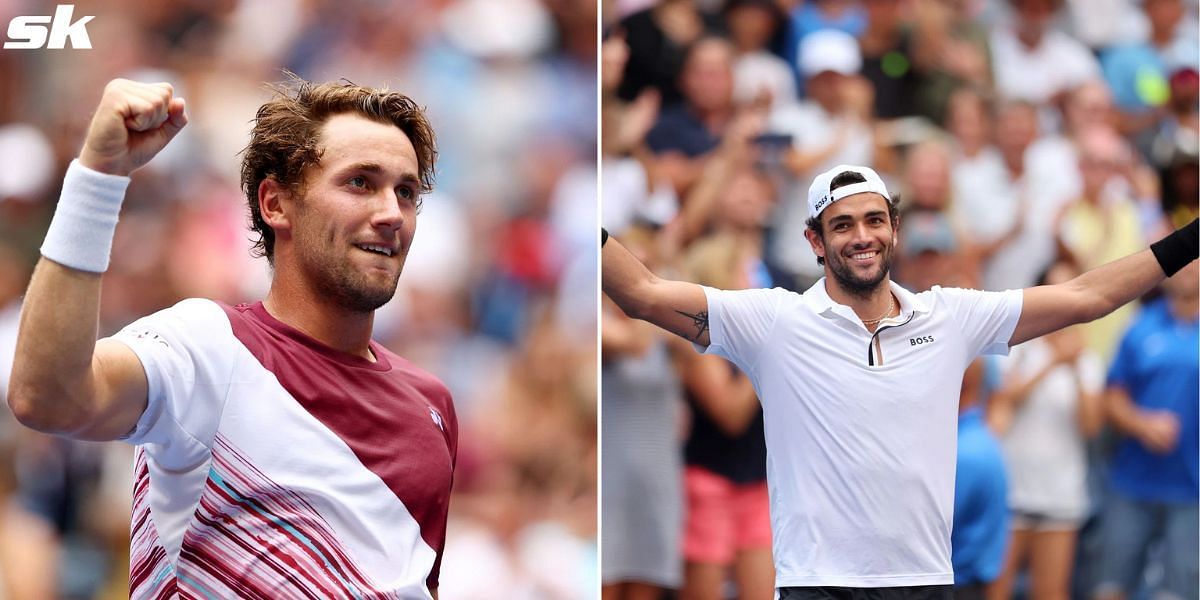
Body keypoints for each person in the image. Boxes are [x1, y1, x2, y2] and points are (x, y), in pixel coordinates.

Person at [601, 163, 1199, 598]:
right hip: (818, 584)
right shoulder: (774, 322)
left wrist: (1191, 239)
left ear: (895, 229)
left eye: (873, 220)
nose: (861, 236)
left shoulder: (952, 316)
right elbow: (642, 294)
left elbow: (1087, 296)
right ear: (814, 240)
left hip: (925, 581)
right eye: (841, 226)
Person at [6, 78, 457, 599]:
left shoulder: (433, 404)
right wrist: (98, 177)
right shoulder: (210, 347)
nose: (391, 214)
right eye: (360, 182)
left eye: (405, 191)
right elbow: (46, 396)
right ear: (275, 204)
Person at [988, 262, 1105, 600]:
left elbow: (1091, 427)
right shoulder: (1017, 346)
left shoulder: (1087, 360)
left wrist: (1077, 369)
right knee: (996, 591)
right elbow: (1005, 400)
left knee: (1052, 593)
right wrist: (1053, 362)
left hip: (1060, 495)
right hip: (1012, 493)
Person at [1093, 261, 1198, 600]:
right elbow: (1112, 396)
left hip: (1193, 489)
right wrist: (1142, 424)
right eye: (1184, 263)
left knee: (1179, 593)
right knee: (1110, 587)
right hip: (1132, 483)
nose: (1189, 271)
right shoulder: (1140, 326)